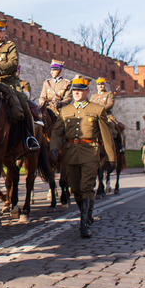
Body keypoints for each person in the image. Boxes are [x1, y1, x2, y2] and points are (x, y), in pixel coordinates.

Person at [49, 76, 114, 238]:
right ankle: (88, 212)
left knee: (86, 187)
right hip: (70, 153)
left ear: (87, 92)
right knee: (76, 189)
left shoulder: (97, 110)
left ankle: (84, 223)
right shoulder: (65, 111)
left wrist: (111, 157)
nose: (77, 93)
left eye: (80, 90)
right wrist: (54, 148)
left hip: (90, 152)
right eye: (75, 90)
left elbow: (106, 136)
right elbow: (57, 132)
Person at [0, 17, 39, 150]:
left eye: (0, 31)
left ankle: (30, 137)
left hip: (8, 82)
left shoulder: (10, 46)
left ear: (4, 32)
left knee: (24, 105)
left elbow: (13, 63)